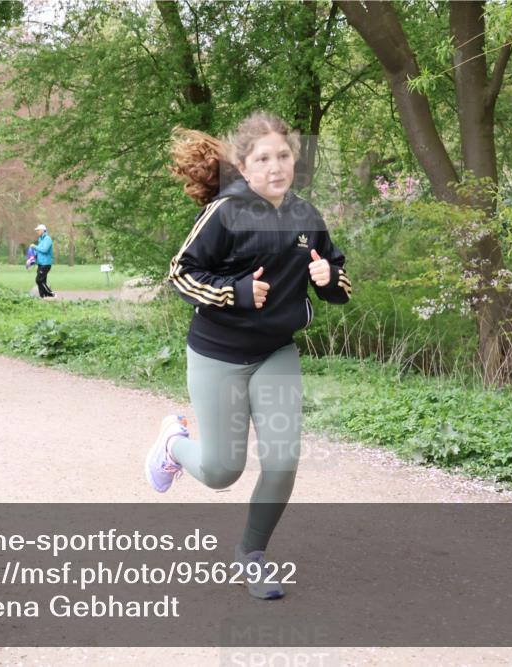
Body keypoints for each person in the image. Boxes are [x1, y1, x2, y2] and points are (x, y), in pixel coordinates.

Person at [144, 112, 352, 600]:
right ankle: (172, 444)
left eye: (284, 155)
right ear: (244, 165)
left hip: (275, 352)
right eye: (263, 158)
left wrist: (330, 281)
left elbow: (336, 273)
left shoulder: (305, 215)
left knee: (282, 460)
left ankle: (251, 555)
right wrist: (234, 292)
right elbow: (180, 273)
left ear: (294, 160)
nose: (276, 167)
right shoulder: (225, 212)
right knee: (222, 471)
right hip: (218, 354)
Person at [30, 224, 54, 297]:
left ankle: (50, 294)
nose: (37, 232)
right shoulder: (41, 239)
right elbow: (39, 251)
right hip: (40, 263)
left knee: (39, 280)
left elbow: (45, 250)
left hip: (46, 264)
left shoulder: (47, 239)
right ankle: (43, 296)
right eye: (37, 231)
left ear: (43, 230)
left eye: (38, 230)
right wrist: (33, 257)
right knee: (42, 281)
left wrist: (35, 246)